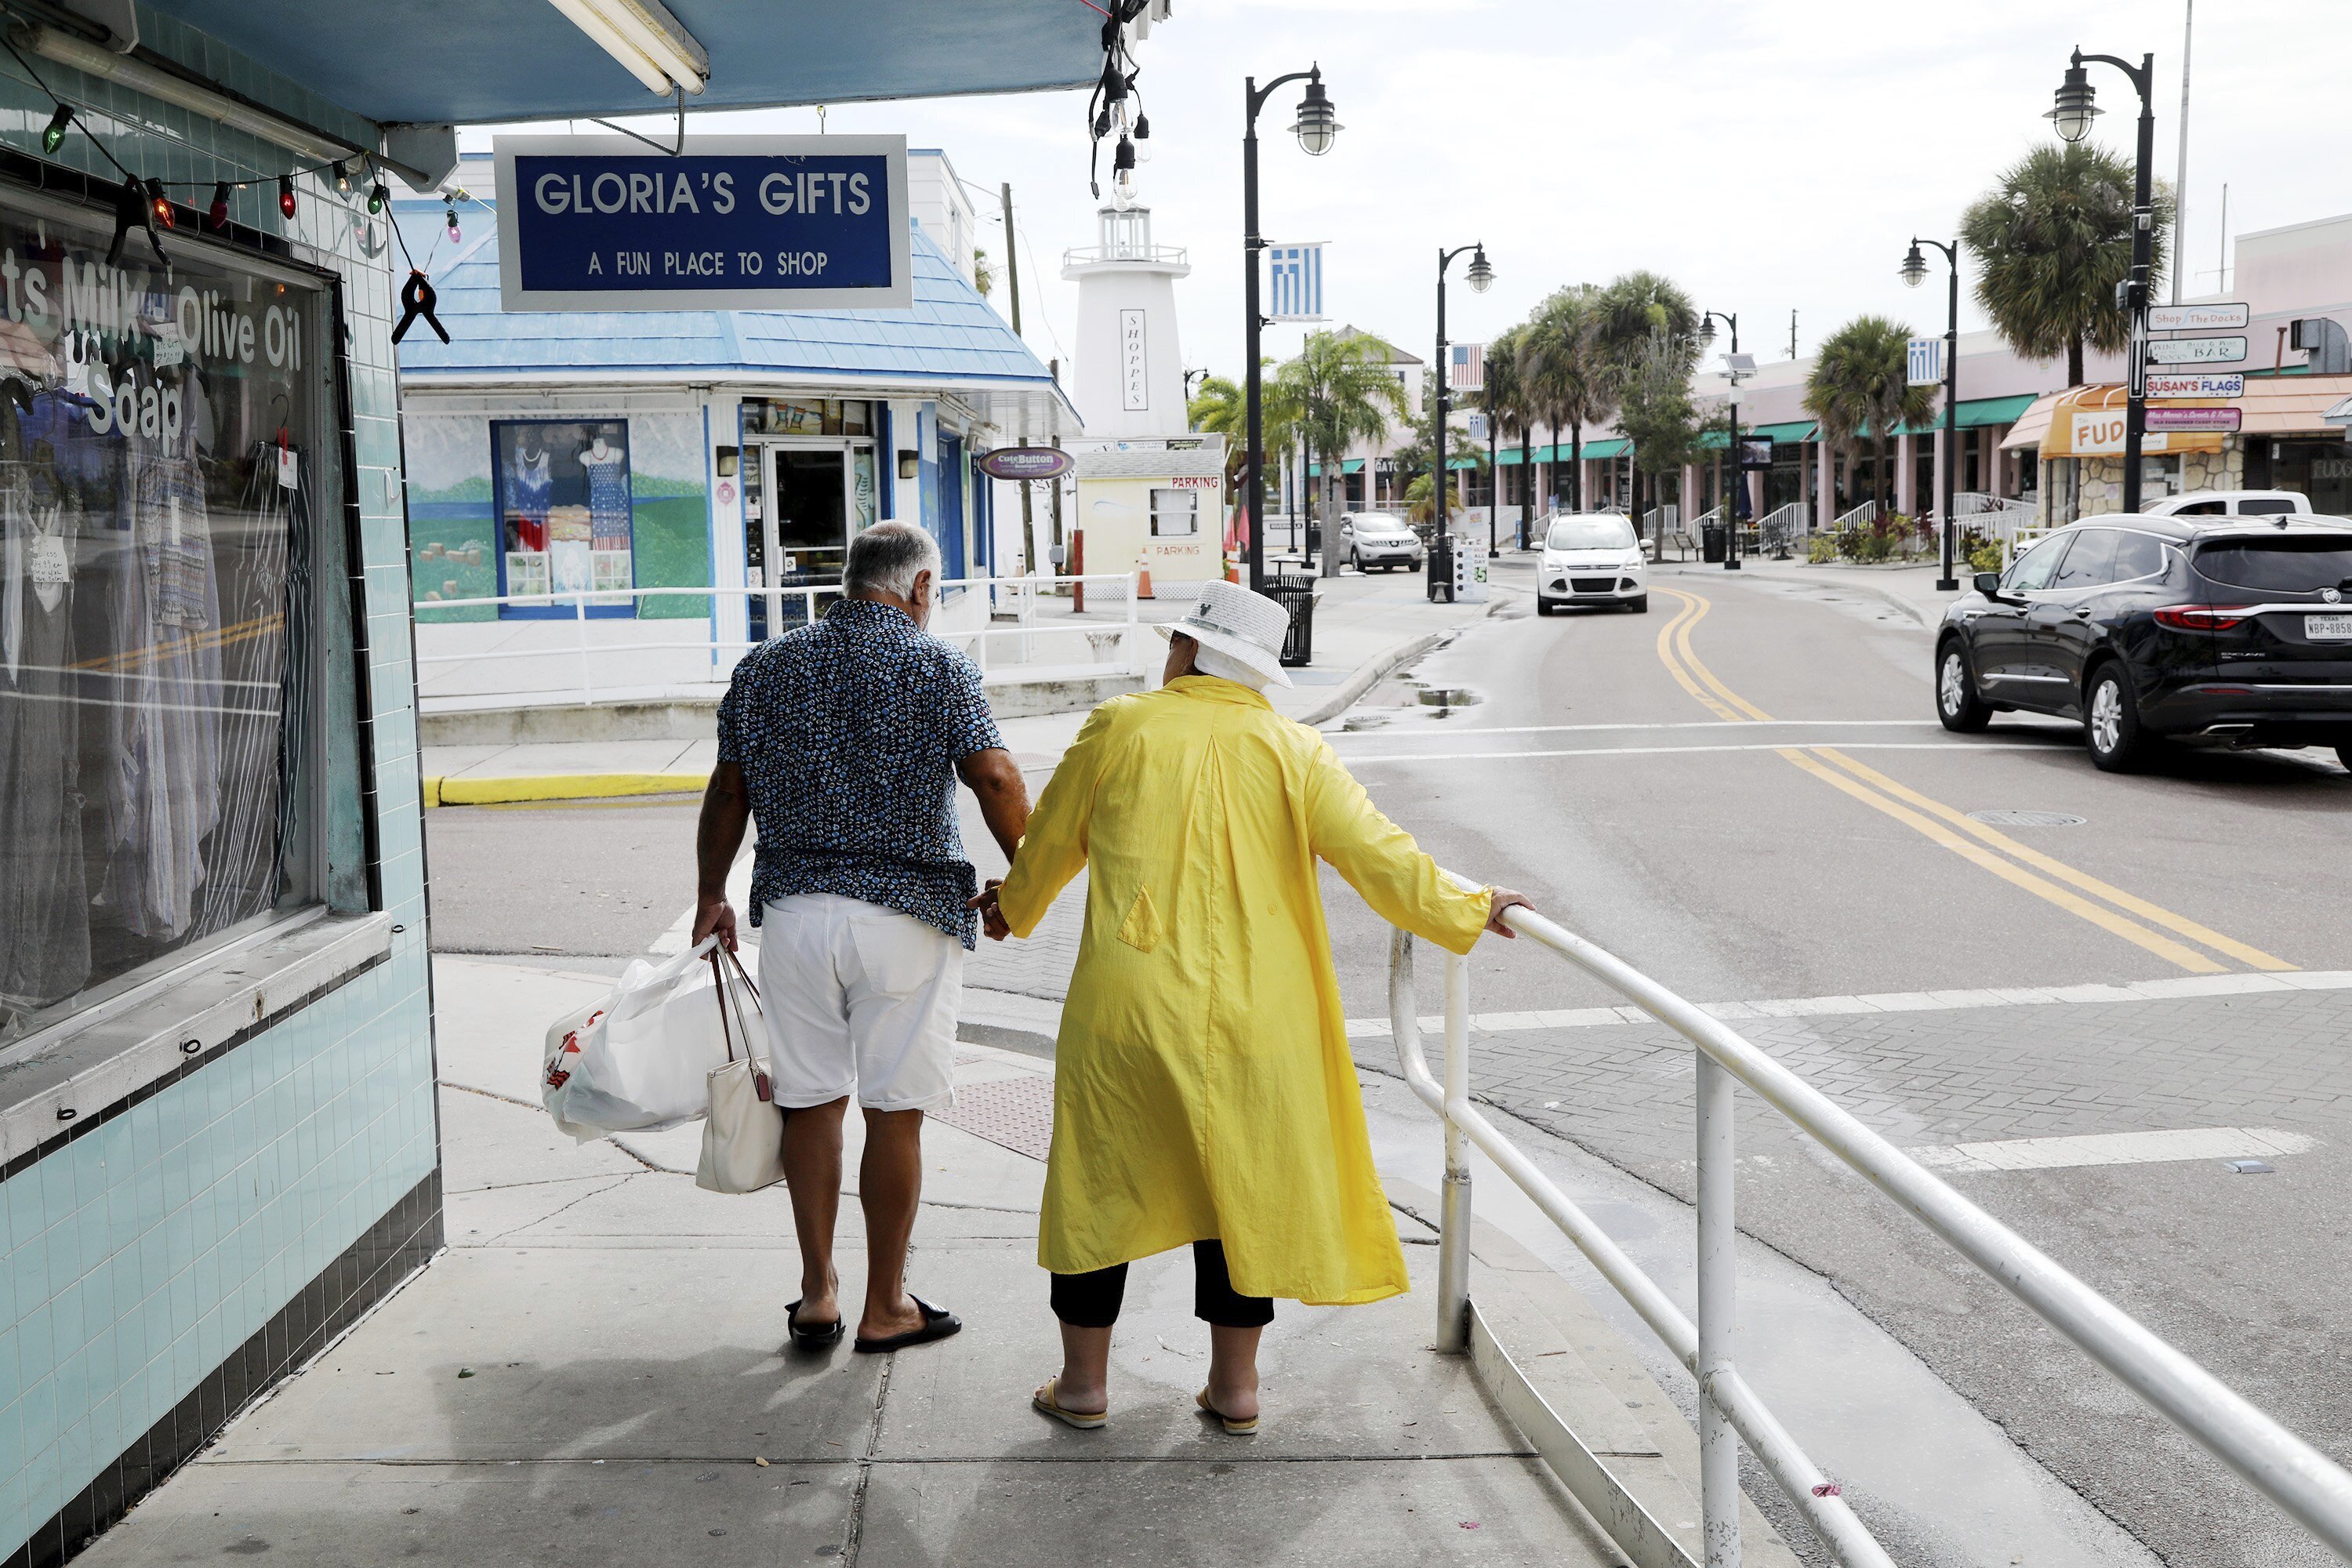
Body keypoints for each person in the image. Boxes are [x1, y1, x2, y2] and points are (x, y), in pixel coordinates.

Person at [970, 580, 1532, 1432]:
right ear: (1256, 670)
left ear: (1191, 651)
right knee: (1240, 1186)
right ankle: (1235, 1391)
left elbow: (1048, 841)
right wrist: (1471, 902)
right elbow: (1380, 857)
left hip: (1128, 1011)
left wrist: (1012, 910)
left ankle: (1082, 1387)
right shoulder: (1294, 749)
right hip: (1258, 1021)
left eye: (1173, 642)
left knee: (1098, 1185)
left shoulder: (1120, 726)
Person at [695, 521, 1029, 1355]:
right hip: (906, 918)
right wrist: (1027, 883)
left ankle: (818, 1293)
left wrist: (710, 893)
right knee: (895, 1111)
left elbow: (728, 790)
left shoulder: (766, 665)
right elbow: (991, 776)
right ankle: (887, 1305)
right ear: (918, 588)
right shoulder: (939, 664)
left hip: (799, 914)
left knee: (810, 1101)